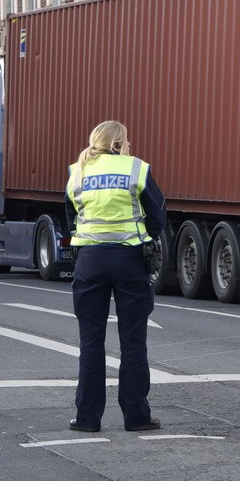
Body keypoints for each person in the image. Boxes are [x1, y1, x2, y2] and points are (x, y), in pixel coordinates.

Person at [64, 120, 166, 433]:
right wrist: (143, 238)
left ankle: (87, 418)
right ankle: (135, 416)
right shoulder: (136, 169)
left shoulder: (77, 171)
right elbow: (157, 214)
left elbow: (71, 217)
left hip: (90, 260)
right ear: (119, 143)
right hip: (129, 259)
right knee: (133, 341)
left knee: (90, 342)